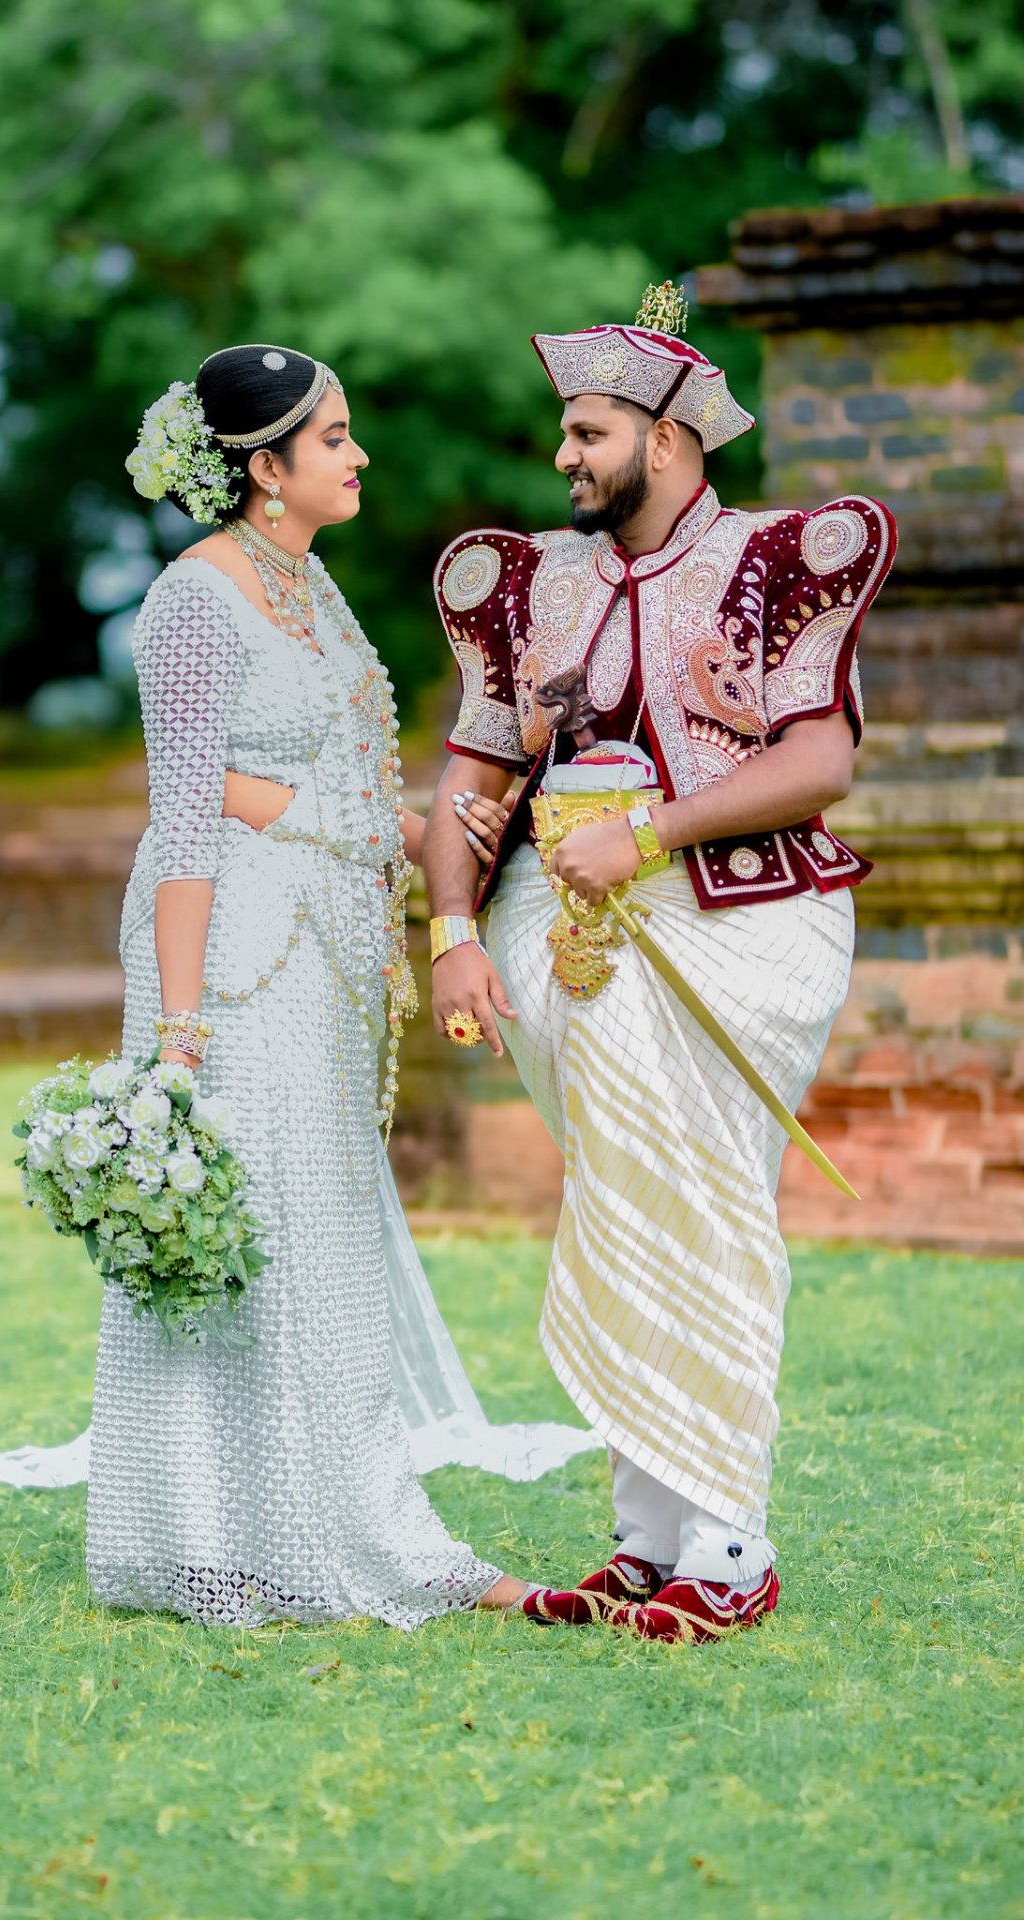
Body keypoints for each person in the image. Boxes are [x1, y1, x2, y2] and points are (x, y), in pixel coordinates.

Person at [0, 341, 590, 1630]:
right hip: (233, 962)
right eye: (334, 438)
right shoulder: (193, 600)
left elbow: (334, 775)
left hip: (318, 956)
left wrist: (472, 795)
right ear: (266, 469)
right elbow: (189, 814)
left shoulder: (311, 589)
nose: (359, 455)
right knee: (241, 1241)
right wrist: (180, 1036)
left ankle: (332, 1522)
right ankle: (217, 1546)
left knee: (315, 1244)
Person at [423, 287, 898, 1642]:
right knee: (625, 1201)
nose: (564, 456)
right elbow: (476, 775)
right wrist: (453, 930)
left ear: (670, 440)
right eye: (562, 433)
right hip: (558, 935)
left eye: (587, 432)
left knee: (703, 1202)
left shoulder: (777, 559)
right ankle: (648, 1543)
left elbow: (822, 761)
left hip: (746, 922)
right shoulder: (528, 583)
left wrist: (650, 834)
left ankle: (730, 1548)